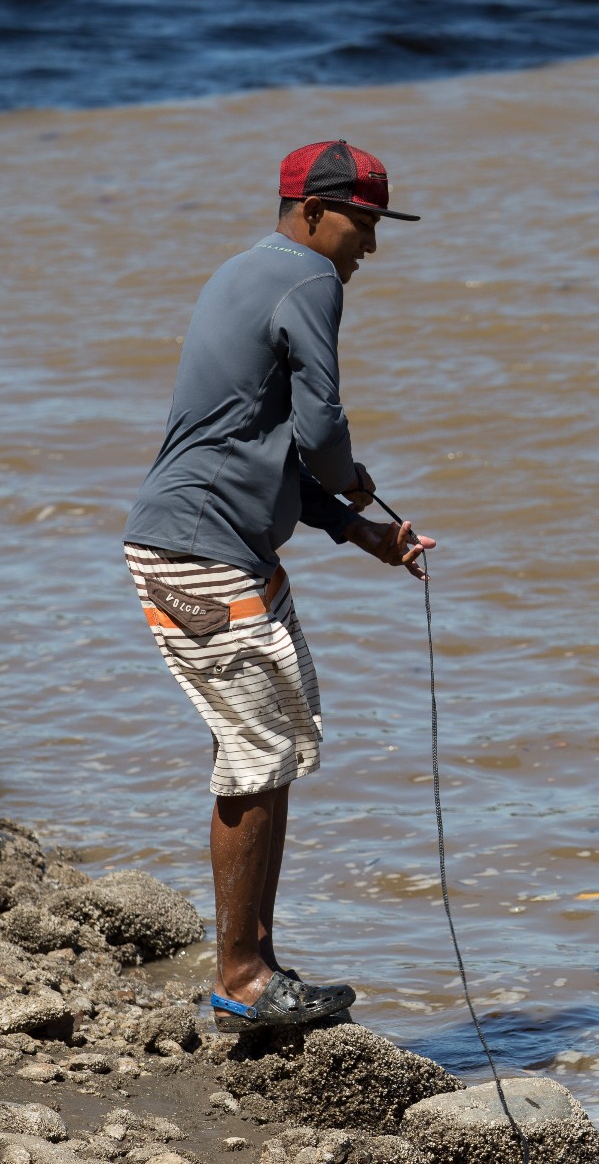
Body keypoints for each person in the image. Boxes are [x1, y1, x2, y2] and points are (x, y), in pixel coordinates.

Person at [122, 140, 436, 1033]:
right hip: (195, 555)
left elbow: (261, 450)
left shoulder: (243, 272)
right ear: (309, 211)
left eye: (378, 226)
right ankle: (239, 980)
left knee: (283, 737)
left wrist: (358, 528)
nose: (369, 245)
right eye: (361, 223)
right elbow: (322, 432)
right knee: (255, 748)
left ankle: (257, 959)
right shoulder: (309, 280)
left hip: (229, 548)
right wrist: (357, 480)